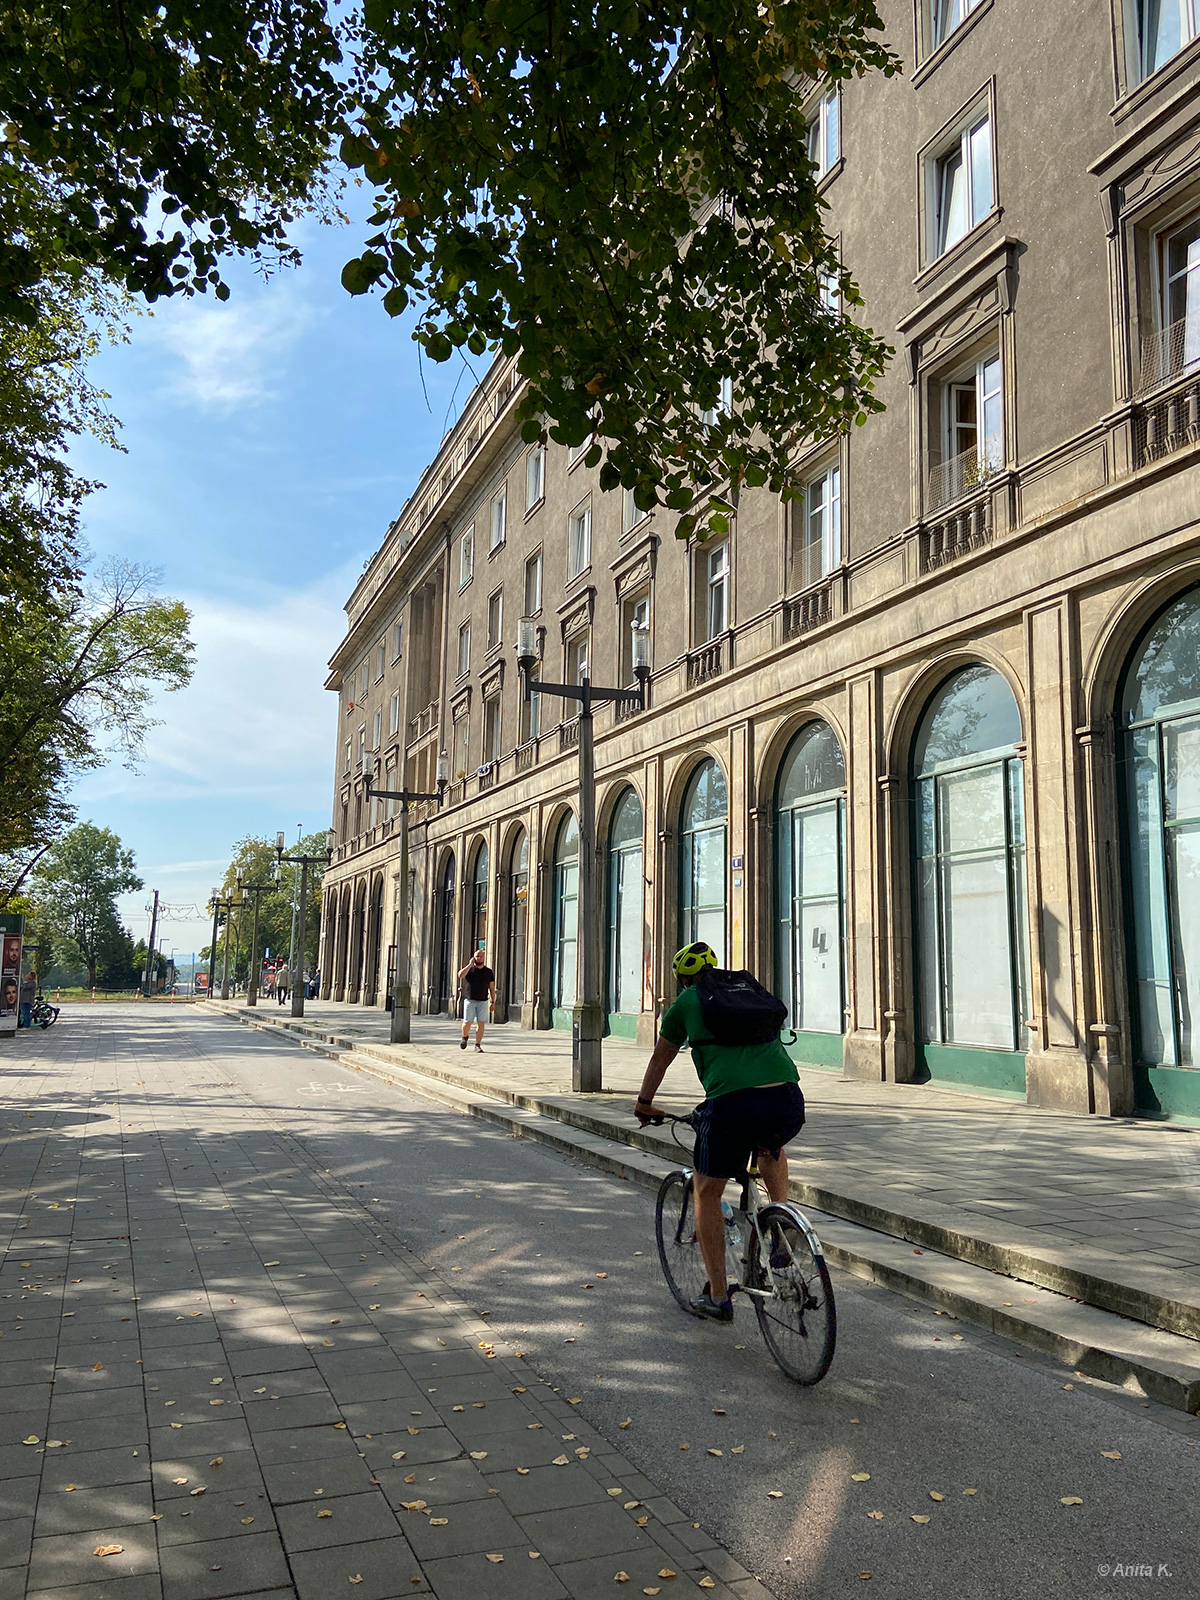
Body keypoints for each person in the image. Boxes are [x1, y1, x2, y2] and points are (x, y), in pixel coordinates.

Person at [634, 942, 805, 1323]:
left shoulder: (687, 1003)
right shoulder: (748, 993)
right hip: (788, 1098)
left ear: (682, 980)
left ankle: (716, 1295)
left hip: (732, 1104)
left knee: (706, 1191)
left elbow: (660, 1058)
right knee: (769, 1145)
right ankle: (780, 1221)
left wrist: (644, 1102)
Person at [457, 948, 495, 1052]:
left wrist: (492, 1002)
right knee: (467, 1023)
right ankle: (465, 1036)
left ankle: (477, 1045)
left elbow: (492, 988)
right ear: (474, 957)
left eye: (481, 956)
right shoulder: (470, 970)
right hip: (470, 1000)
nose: (479, 958)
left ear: (484, 957)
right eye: (477, 956)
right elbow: (460, 975)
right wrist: (470, 965)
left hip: (483, 1001)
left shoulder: (488, 972)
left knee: (481, 1023)